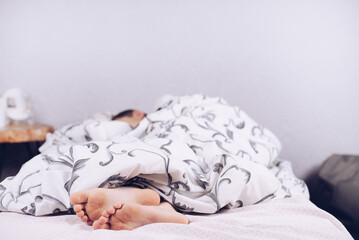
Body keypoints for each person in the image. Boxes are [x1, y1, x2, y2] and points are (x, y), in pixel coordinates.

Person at [70, 109, 189, 230]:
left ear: (137, 113)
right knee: (165, 176)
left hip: (152, 154)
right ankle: (163, 209)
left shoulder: (161, 116)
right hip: (174, 163)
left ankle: (133, 195)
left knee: (133, 167)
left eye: (124, 124)